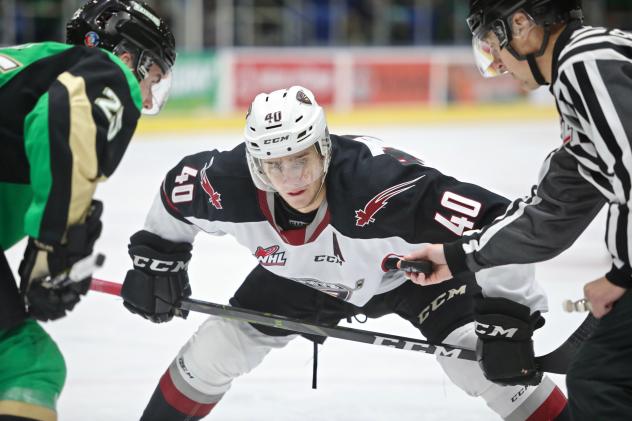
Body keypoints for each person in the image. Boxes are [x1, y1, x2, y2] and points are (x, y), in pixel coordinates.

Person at [121, 85, 570, 421]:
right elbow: (175, 192)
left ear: (324, 147)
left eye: (301, 159)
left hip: (412, 271)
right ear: (256, 164)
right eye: (274, 166)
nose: (291, 178)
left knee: (482, 366)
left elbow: (502, 225)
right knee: (215, 349)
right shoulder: (229, 183)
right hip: (299, 277)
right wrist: (158, 258)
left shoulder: (381, 186)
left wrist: (508, 320)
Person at [402, 0, 632, 419]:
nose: (498, 62)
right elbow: (551, 213)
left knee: (603, 380)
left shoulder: (585, 62)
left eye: (493, 44)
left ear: (522, 25)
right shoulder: (579, 80)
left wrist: (623, 275)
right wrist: (455, 256)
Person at [0, 1, 175, 419]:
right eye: (151, 79)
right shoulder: (104, 70)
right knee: (26, 365)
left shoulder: (32, 66)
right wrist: (56, 241)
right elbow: (70, 113)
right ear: (130, 57)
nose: (147, 95)